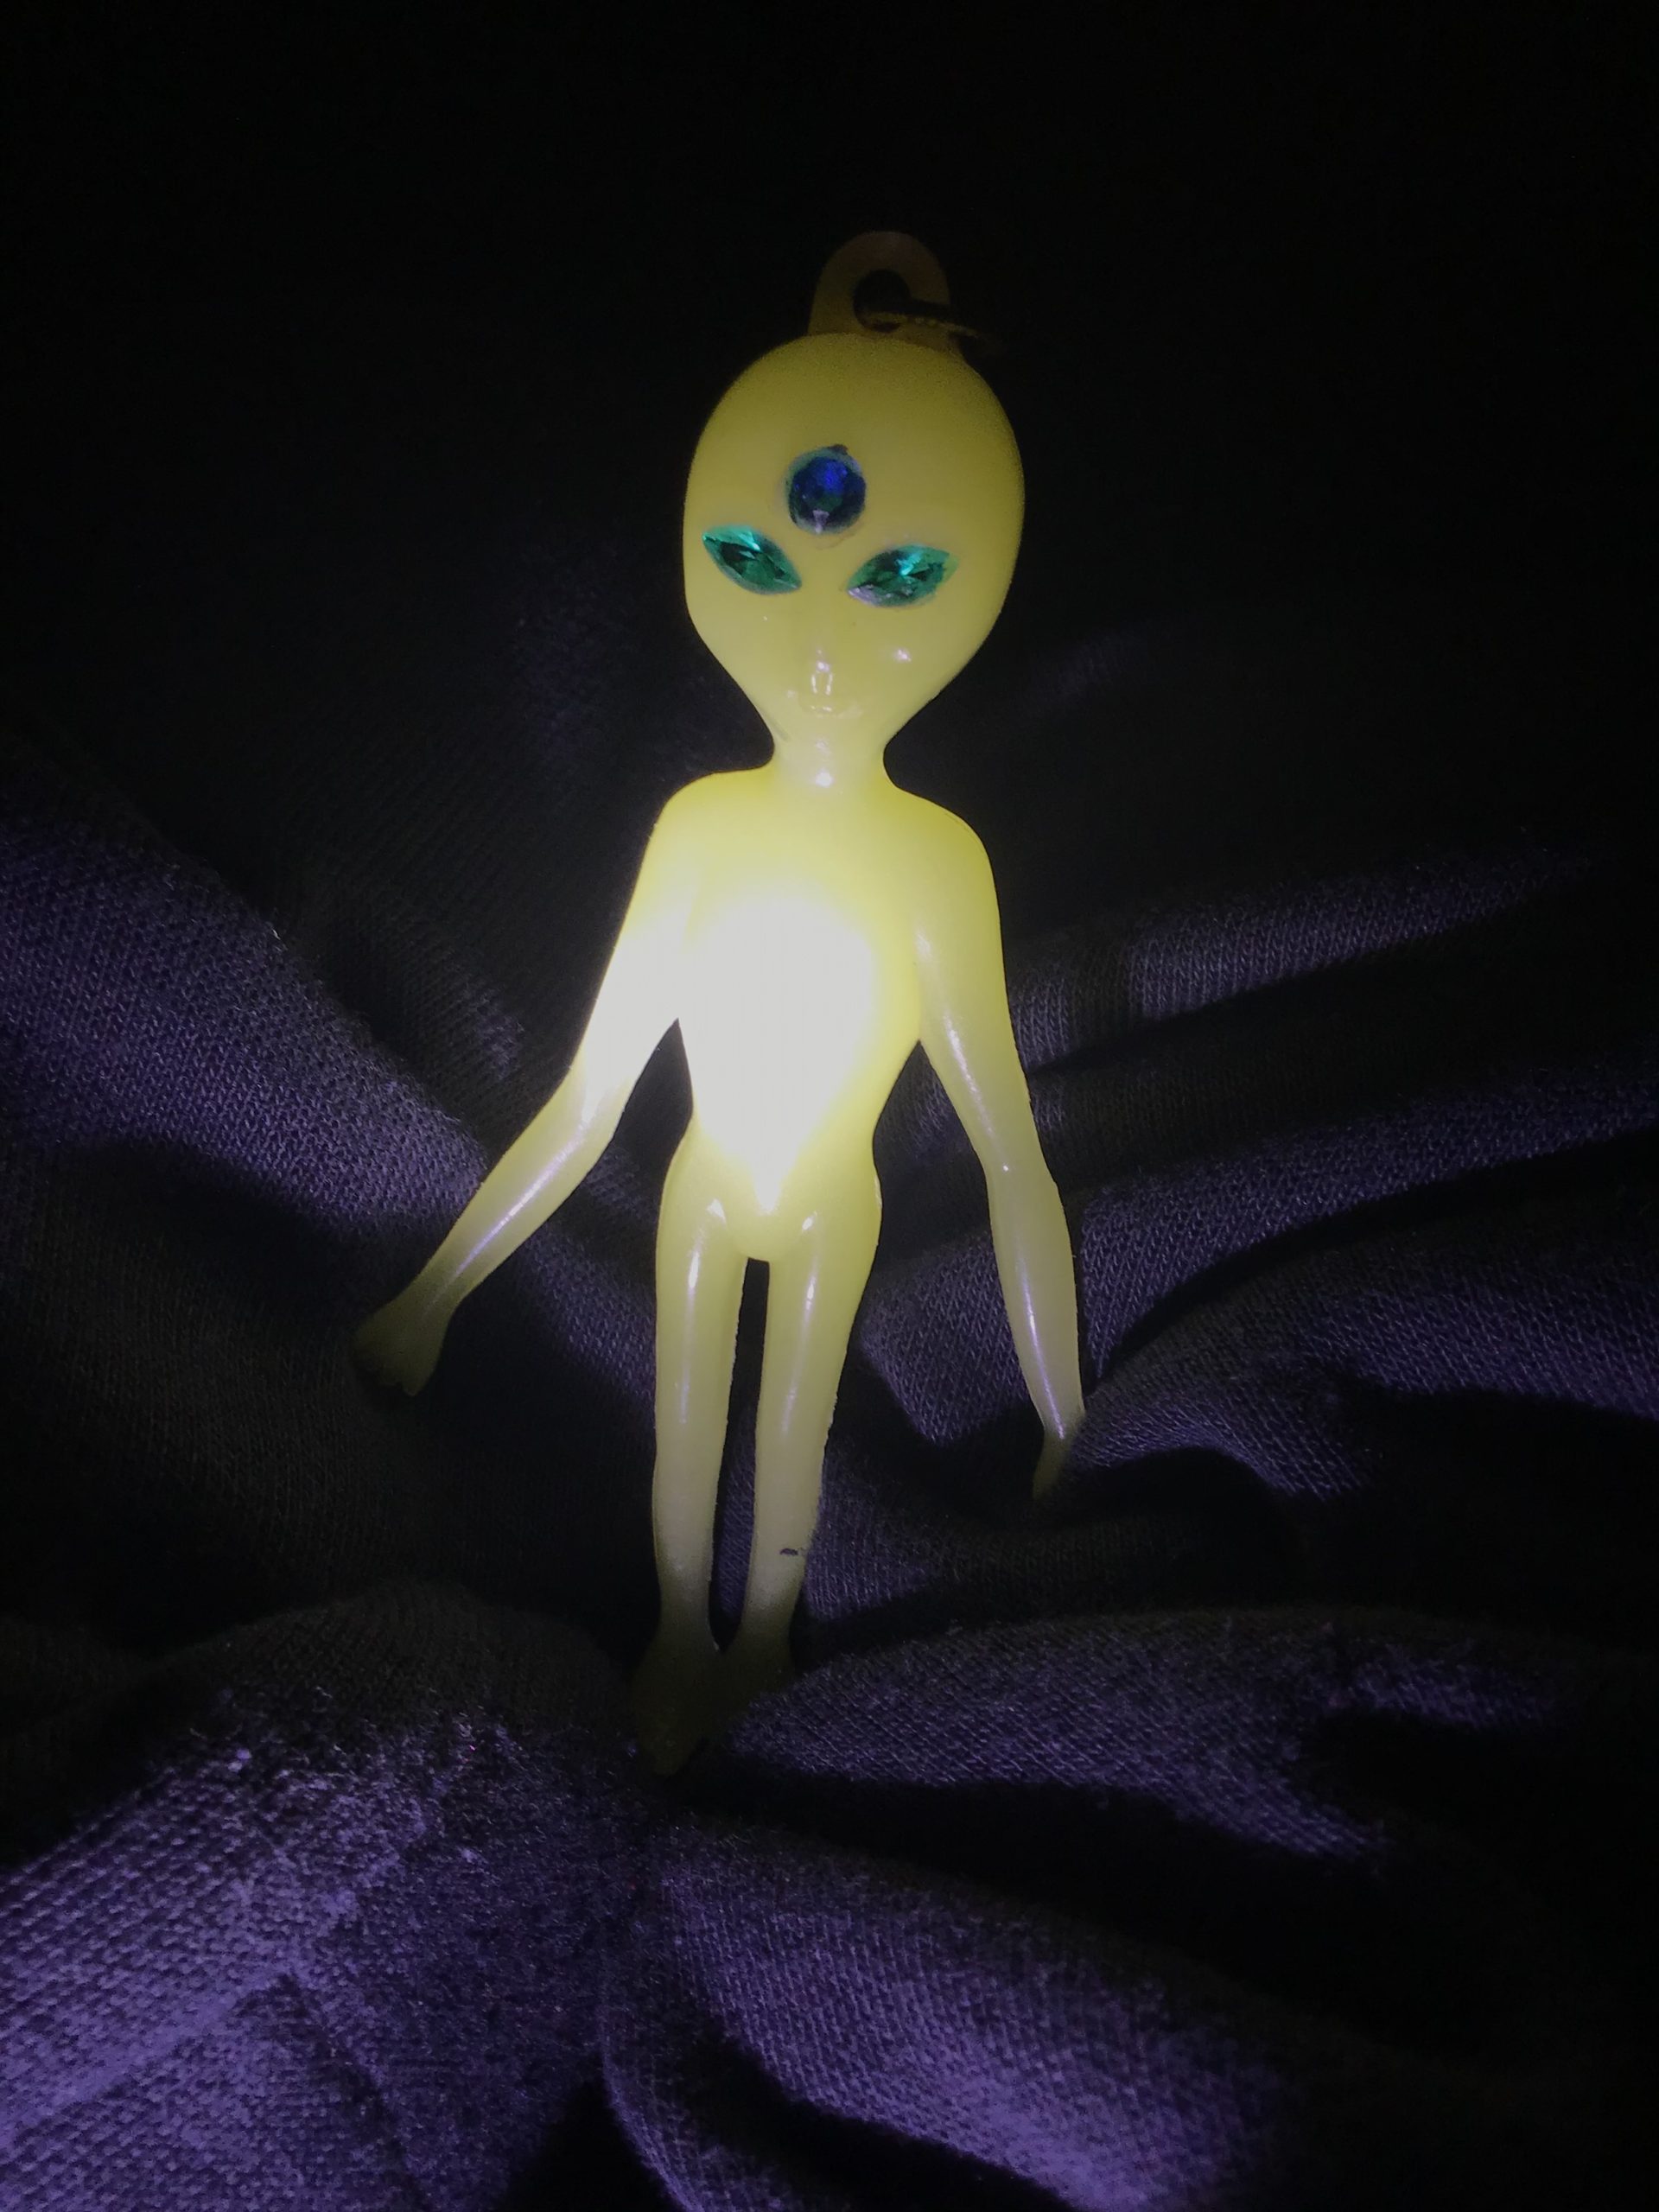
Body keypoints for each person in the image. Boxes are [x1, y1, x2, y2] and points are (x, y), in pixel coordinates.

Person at [354, 237, 1083, 1770]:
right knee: (687, 1447)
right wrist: (433, 1296)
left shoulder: (935, 864)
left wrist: (1063, 1409)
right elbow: (589, 1098)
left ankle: (760, 1643)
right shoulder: (701, 827)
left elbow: (1008, 1145)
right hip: (702, 1185)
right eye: (760, 562)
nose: (822, 645)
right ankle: (680, 1636)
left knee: (786, 1445)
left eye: (897, 579)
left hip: (831, 1204)